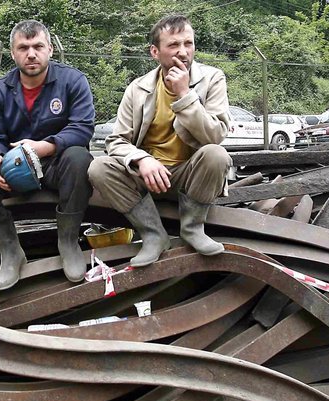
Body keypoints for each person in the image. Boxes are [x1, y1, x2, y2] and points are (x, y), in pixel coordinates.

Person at [88, 14, 231, 268]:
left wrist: (184, 94)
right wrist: (142, 160)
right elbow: (116, 141)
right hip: (149, 178)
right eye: (173, 45)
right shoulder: (138, 88)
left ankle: (193, 228)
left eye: (188, 43)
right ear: (155, 52)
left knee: (216, 155)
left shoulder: (212, 79)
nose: (183, 52)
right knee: (98, 167)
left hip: (191, 176)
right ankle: (153, 234)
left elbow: (215, 135)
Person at [0, 20, 95, 290]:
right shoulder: (0, 90)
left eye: (38, 46)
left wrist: (44, 146)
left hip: (58, 166)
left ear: (50, 49)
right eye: (23, 48)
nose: (31, 54)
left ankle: (68, 241)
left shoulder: (73, 80)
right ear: (13, 53)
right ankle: (10, 250)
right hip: (16, 171)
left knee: (80, 158)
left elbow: (82, 128)